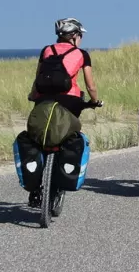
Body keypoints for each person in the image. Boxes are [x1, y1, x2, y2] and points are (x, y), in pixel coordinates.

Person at [26, 18, 102, 206]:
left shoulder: (46, 50)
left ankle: (36, 184)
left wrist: (33, 96)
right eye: (81, 35)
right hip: (70, 101)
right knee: (70, 133)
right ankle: (63, 170)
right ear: (74, 36)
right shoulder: (81, 54)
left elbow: (37, 79)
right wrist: (94, 101)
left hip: (43, 100)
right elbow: (90, 85)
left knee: (40, 137)